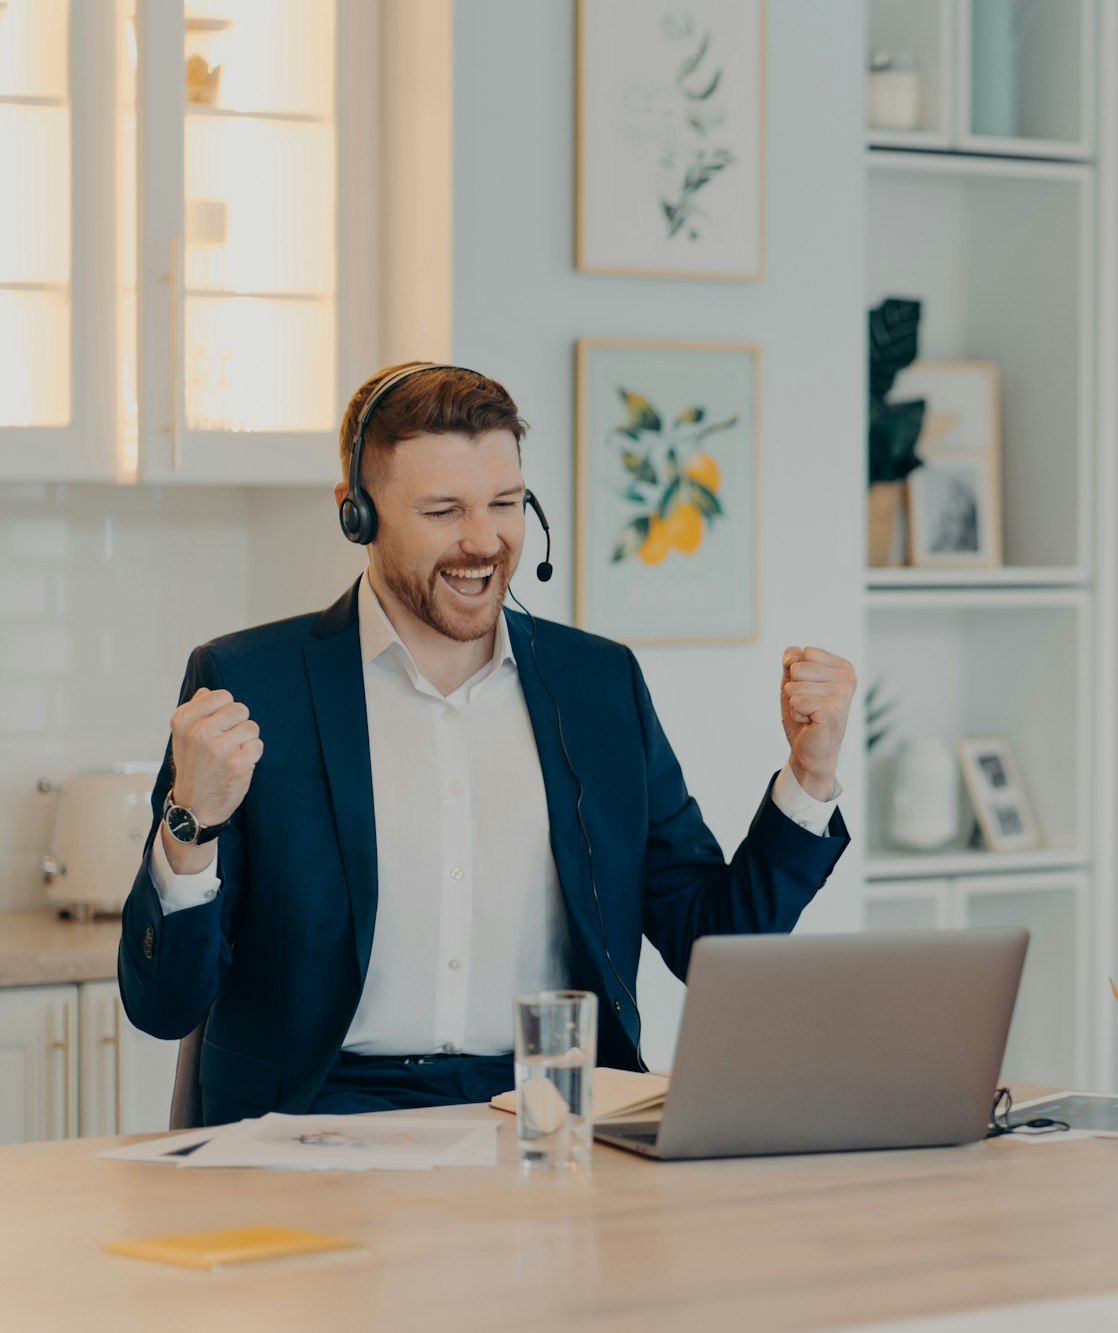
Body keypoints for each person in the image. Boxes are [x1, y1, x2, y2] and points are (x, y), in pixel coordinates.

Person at [118, 363, 855, 1125]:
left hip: (549, 1121)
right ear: (356, 514)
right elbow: (164, 1004)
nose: (483, 540)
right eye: (443, 510)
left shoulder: (599, 685)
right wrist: (189, 823)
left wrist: (811, 773)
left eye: (506, 503)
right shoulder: (248, 683)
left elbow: (715, 941)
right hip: (316, 1124)